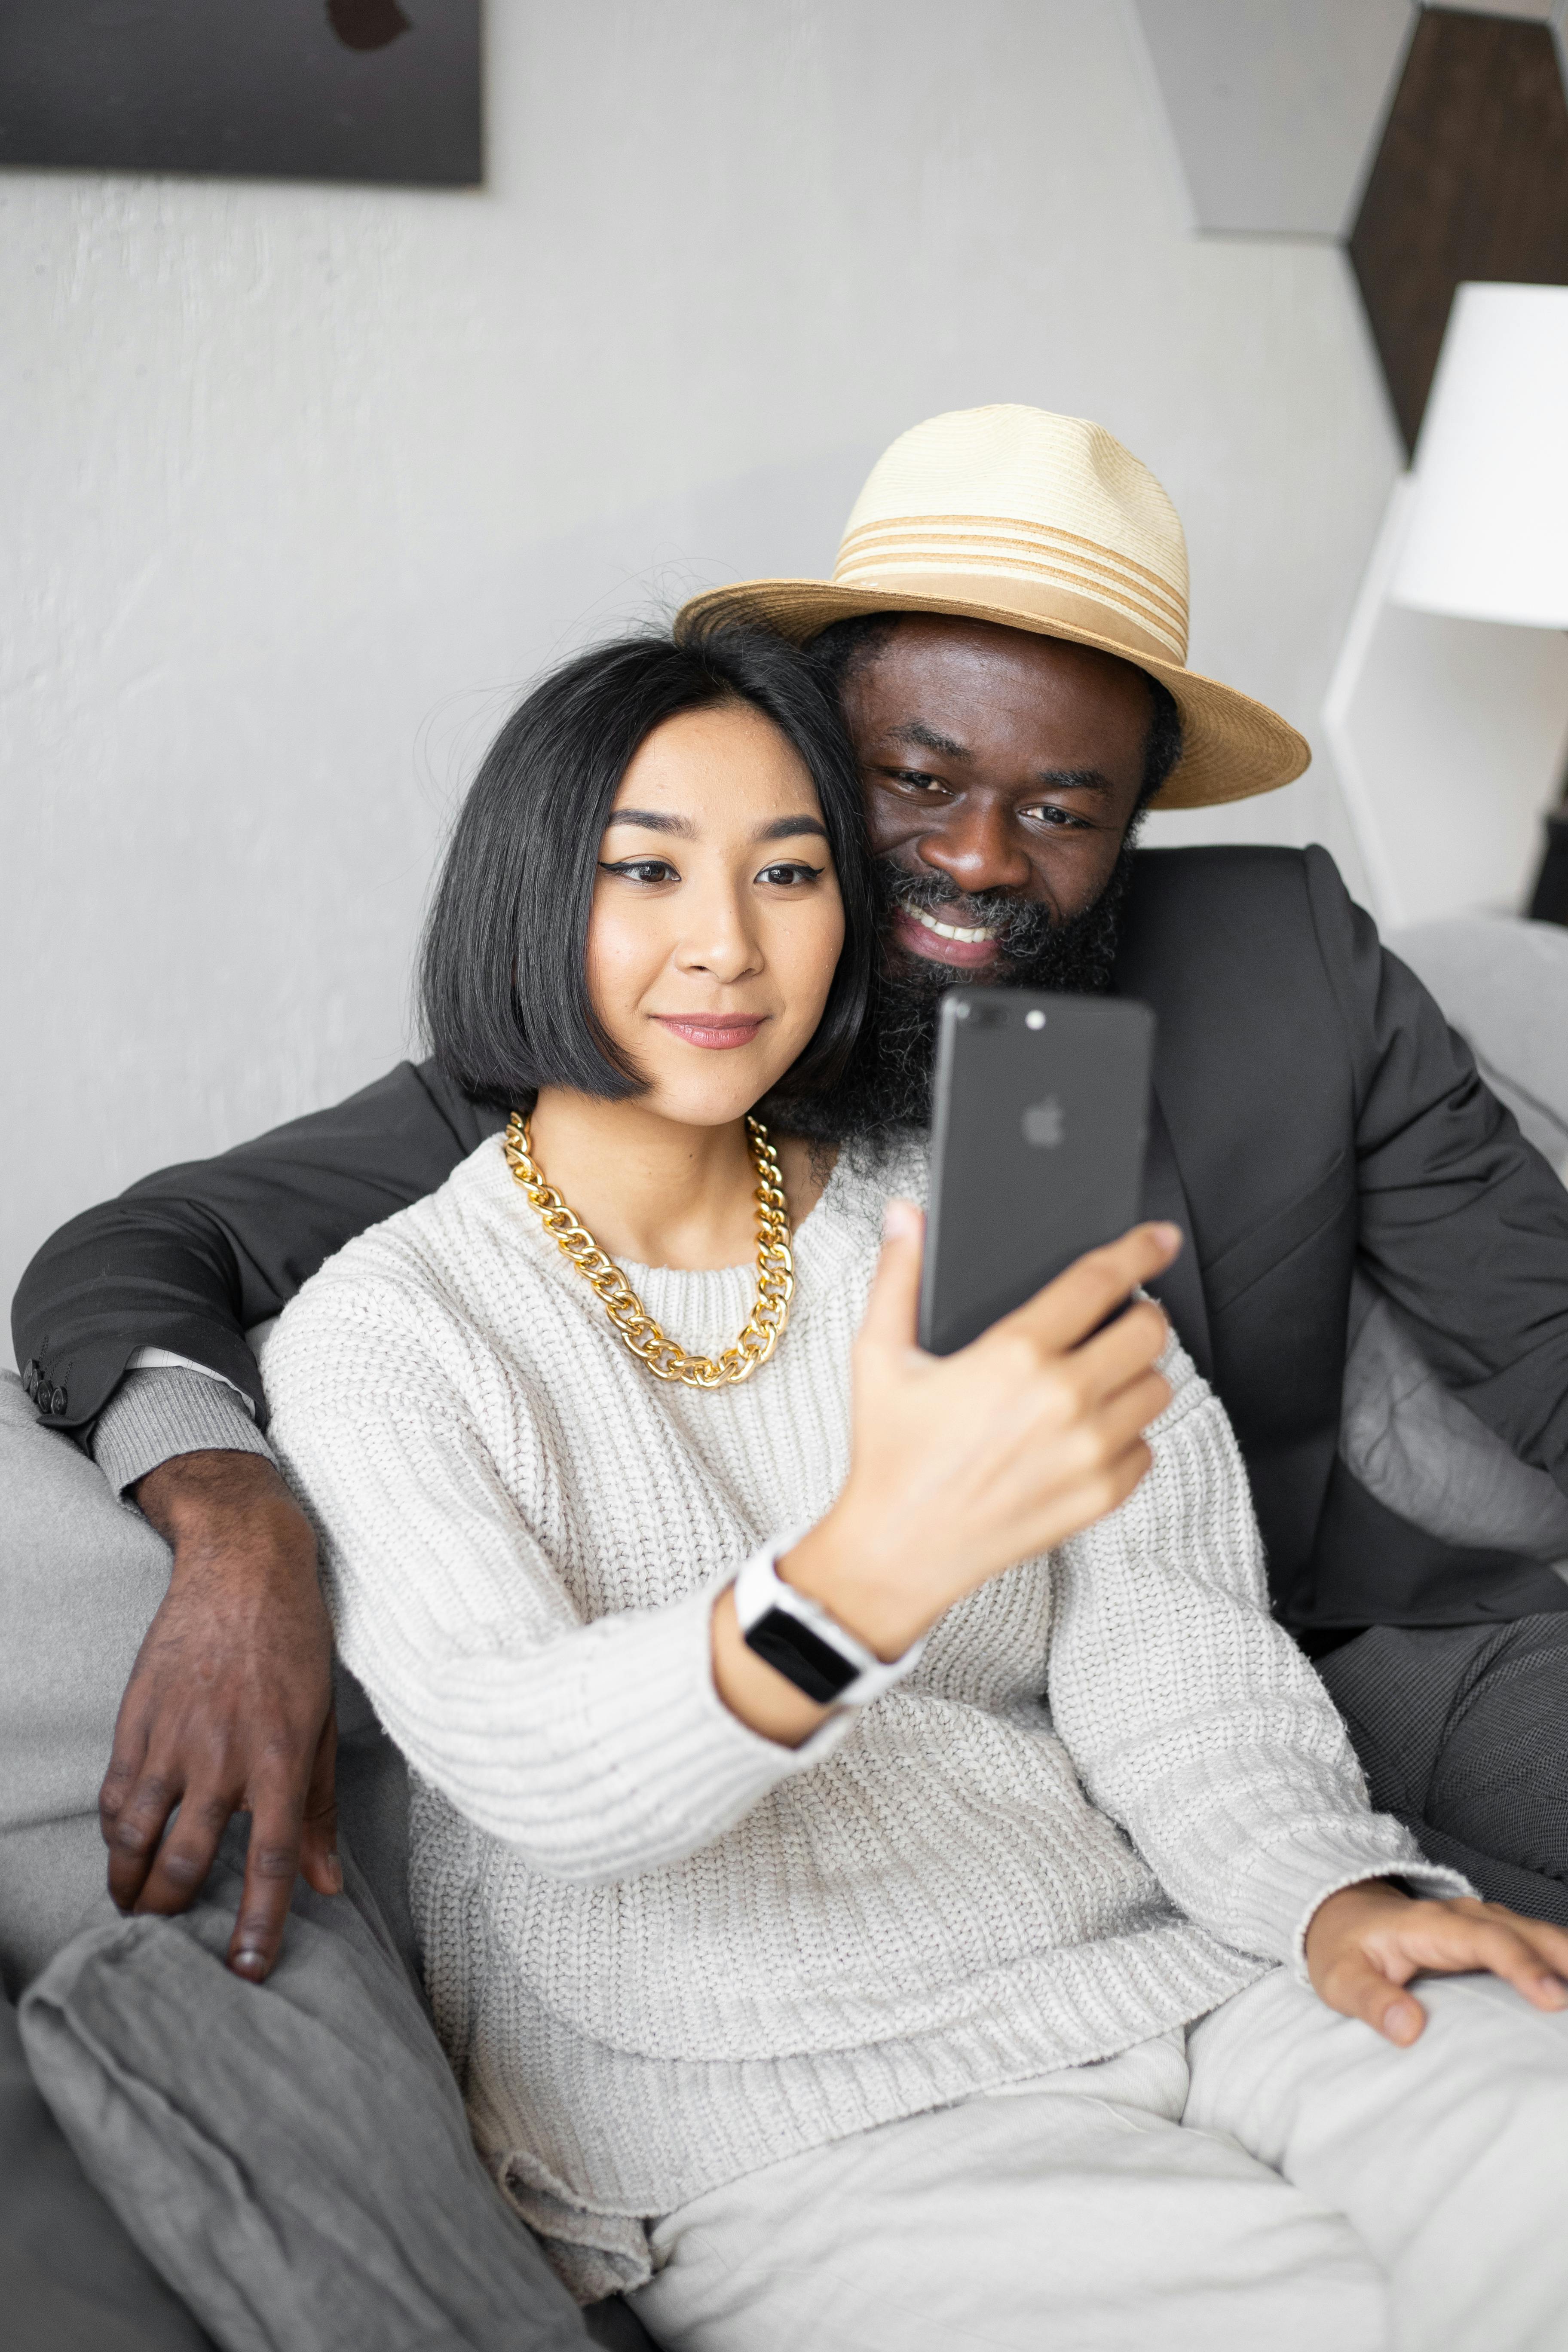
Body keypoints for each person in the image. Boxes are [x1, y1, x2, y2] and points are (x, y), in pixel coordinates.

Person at [12, 406, 1568, 1986]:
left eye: (1061, 810)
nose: (977, 860)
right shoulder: (657, 1047)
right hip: (1012, 1806)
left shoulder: (1283, 950)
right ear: (816, 743)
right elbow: (140, 1250)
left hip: (1383, 1649)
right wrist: (236, 1528)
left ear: (1134, 818)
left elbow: (1542, 1327)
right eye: (915, 779)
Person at [256, 621, 1568, 2351]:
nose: (725, 944)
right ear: (527, 900)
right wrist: (865, 1568)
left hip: (1195, 1967)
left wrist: (1326, 1889)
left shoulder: (977, 1213)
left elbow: (1171, 1649)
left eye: (788, 872)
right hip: (791, 2110)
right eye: (647, 870)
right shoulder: (394, 1333)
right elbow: (533, 1770)